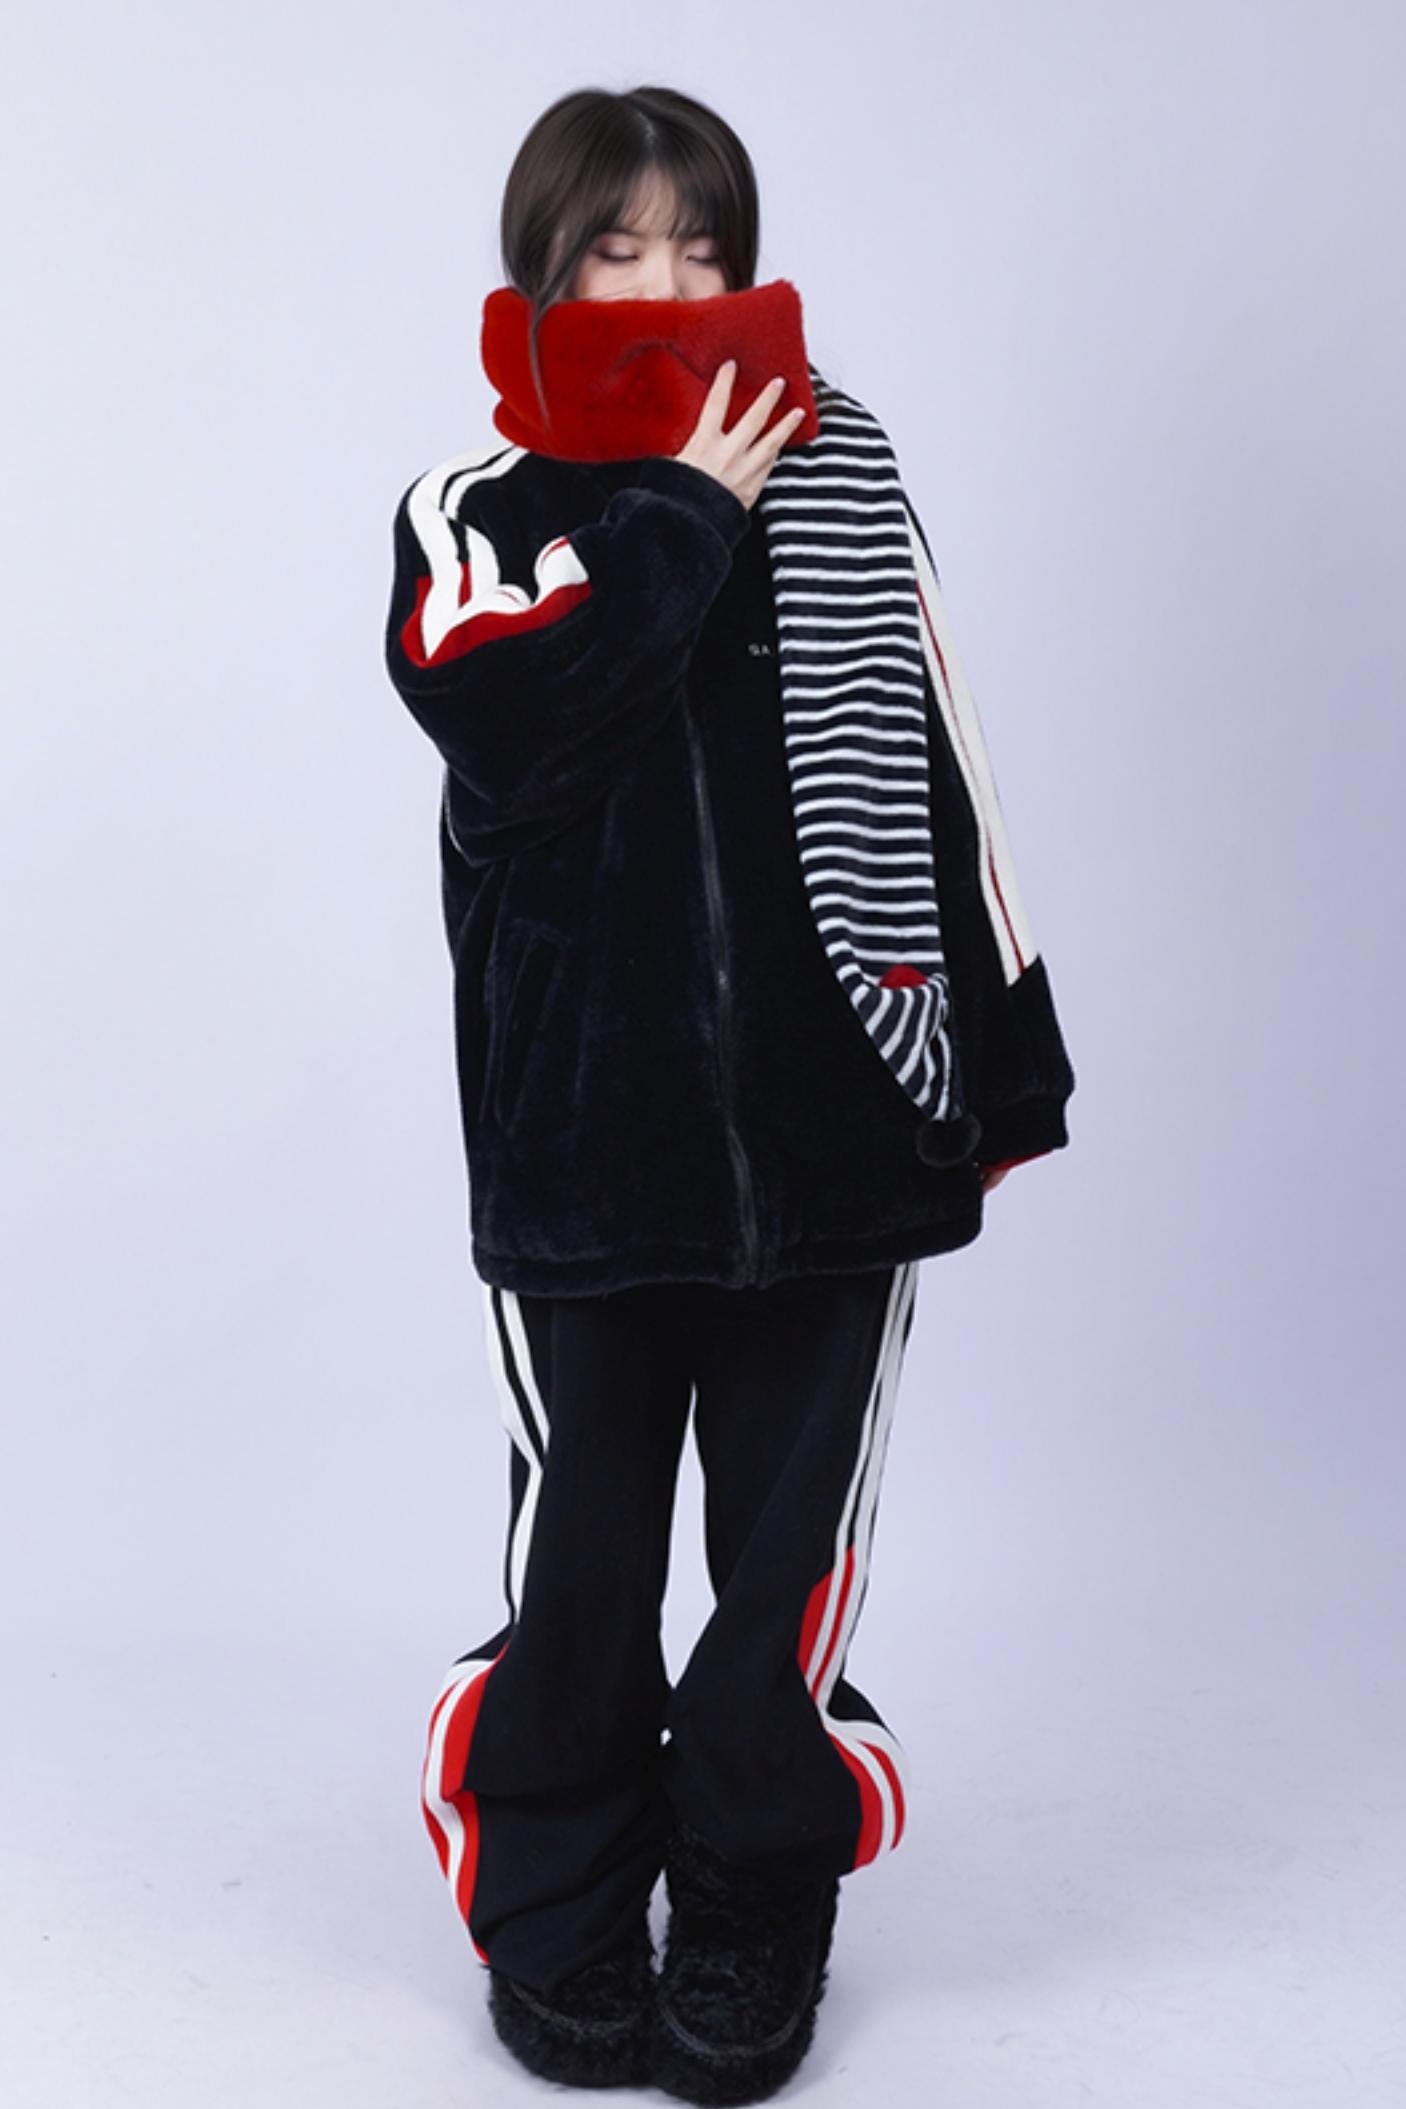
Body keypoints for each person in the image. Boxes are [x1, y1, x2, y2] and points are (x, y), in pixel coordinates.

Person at [384, 83, 1076, 2105]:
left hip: (840, 1123)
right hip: (585, 1149)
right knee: (583, 1559)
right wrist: (680, 507)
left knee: (782, 1575)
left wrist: (996, 1063)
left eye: (700, 242)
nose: (665, 281)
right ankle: (554, 1889)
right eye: (617, 246)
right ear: (544, 268)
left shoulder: (842, 466)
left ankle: (757, 1891)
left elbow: (939, 756)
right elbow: (507, 723)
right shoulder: (479, 504)